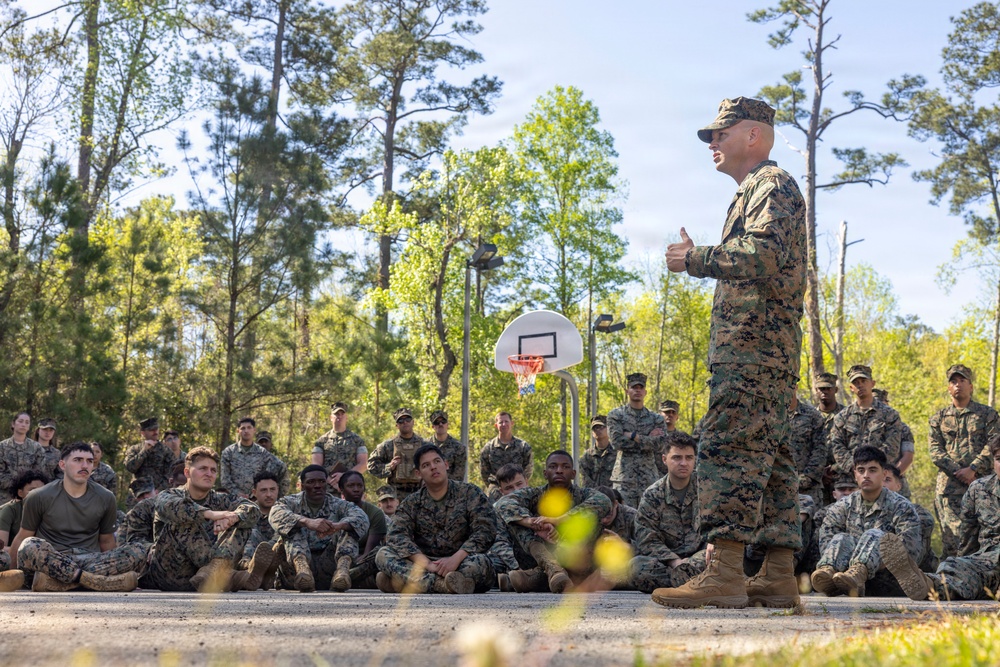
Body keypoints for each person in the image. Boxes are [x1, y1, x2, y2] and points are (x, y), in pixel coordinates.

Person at [658, 96, 806, 609]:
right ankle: (779, 571)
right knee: (775, 457)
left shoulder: (772, 184)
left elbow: (763, 253)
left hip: (754, 352)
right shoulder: (756, 190)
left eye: (721, 133)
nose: (712, 144)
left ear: (755, 135)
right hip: (765, 351)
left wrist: (696, 258)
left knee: (728, 448)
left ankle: (723, 572)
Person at [7, 442, 146, 592]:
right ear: (62, 464)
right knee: (29, 545)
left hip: (89, 560)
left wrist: (117, 567)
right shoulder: (39, 496)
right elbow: (23, 538)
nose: (84, 465)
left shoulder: (106, 497)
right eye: (78, 460)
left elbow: (106, 542)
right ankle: (93, 582)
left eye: (89, 461)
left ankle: (63, 583)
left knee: (138, 550)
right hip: (52, 562)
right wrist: (14, 577)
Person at [881, 439, 1000, 601]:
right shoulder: (979, 489)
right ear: (993, 462)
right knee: (953, 566)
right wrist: (964, 563)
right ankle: (926, 585)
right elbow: (968, 535)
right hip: (988, 562)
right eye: (999, 459)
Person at [376, 444, 497, 594]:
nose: (433, 467)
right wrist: (426, 564)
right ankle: (442, 585)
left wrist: (455, 559)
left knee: (480, 563)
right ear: (418, 473)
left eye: (437, 461)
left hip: (462, 560)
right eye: (426, 465)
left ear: (446, 465)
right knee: (383, 555)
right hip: (426, 563)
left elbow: (486, 529)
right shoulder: (411, 503)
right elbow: (396, 536)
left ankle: (403, 582)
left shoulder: (470, 493)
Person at [142, 446, 265, 592]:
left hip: (203, 576)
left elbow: (253, 509)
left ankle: (218, 569)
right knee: (183, 518)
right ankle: (230, 576)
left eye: (213, 470)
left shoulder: (220, 499)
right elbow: (167, 506)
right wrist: (211, 514)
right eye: (203, 469)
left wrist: (234, 517)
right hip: (171, 574)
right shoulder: (170, 495)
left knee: (242, 519)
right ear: (187, 472)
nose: (209, 474)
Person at [810, 447, 921, 597]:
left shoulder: (901, 506)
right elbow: (827, 541)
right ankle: (827, 573)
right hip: (843, 578)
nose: (866, 475)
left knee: (875, 535)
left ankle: (859, 573)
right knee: (841, 538)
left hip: (887, 580)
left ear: (884, 474)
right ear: (855, 474)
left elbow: (910, 551)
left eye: (873, 470)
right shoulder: (843, 506)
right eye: (861, 470)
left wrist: (872, 562)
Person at [495, 450, 611, 594]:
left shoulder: (584, 495)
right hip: (538, 557)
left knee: (590, 518)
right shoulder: (534, 494)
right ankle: (552, 569)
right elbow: (502, 503)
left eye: (565, 467)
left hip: (577, 561)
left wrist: (558, 521)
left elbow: (604, 501)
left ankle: (534, 578)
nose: (559, 471)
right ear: (545, 473)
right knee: (515, 521)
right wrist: (532, 523)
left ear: (574, 474)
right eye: (553, 466)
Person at [928, 364, 998, 559]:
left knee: (986, 538)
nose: (957, 384)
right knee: (953, 543)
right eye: (953, 381)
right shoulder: (938, 418)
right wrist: (960, 471)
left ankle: (985, 588)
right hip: (950, 490)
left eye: (962, 380)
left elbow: (994, 445)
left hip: (983, 487)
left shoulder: (987, 415)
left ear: (971, 386)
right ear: (948, 388)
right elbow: (935, 451)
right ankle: (949, 588)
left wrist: (974, 468)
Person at [269, 465, 369, 593]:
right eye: (311, 482)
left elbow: (362, 517)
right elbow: (275, 514)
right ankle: (302, 569)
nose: (317, 486)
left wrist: (338, 525)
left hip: (327, 567)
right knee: (292, 527)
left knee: (349, 527)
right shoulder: (290, 502)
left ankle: (342, 571)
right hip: (294, 571)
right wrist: (307, 522)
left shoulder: (338, 504)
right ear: (303, 486)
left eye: (321, 481)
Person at [628, 434, 708, 594]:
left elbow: (720, 526)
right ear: (664, 459)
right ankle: (697, 583)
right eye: (677, 457)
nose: (684, 463)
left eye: (689, 458)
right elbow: (646, 539)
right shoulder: (652, 495)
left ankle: (681, 584)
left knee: (721, 557)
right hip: (666, 561)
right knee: (636, 567)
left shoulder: (707, 488)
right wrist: (675, 561)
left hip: (701, 557)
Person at [829, 365, 903, 488]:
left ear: (872, 383)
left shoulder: (889, 414)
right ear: (851, 388)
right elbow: (837, 446)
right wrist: (856, 468)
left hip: (879, 479)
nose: (860, 385)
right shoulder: (842, 417)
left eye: (864, 381)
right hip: (849, 481)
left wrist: (873, 468)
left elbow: (892, 446)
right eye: (856, 382)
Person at [608, 373, 667, 509]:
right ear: (627, 391)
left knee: (649, 519)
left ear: (645, 392)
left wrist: (634, 435)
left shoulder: (656, 418)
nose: (638, 390)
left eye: (641, 387)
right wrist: (648, 438)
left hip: (649, 478)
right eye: (634, 387)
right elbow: (616, 442)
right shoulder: (616, 415)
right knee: (624, 518)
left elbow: (660, 445)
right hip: (624, 479)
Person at [883, 463, 937, 573]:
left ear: (898, 486)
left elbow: (925, 523)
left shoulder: (915, 511)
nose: (882, 485)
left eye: (887, 480)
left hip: (914, 569)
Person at [339, 470, 388, 589]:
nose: (356, 489)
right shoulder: (333, 509)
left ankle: (344, 578)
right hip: (338, 558)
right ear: (342, 489)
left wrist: (359, 559)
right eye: (351, 486)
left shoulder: (375, 513)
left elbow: (368, 552)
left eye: (359, 486)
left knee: (382, 552)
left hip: (362, 561)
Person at [368, 408, 427, 501]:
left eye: (408, 419)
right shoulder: (388, 445)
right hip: (396, 496)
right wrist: (389, 467)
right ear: (397, 425)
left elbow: (436, 465)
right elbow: (371, 465)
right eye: (401, 420)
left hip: (420, 493)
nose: (405, 422)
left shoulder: (424, 444)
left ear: (413, 422)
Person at [220, 417, 289, 497]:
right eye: (243, 428)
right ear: (238, 431)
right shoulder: (228, 452)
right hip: (233, 499)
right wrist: (237, 493)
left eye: (249, 428)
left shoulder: (263, 453)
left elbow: (265, 478)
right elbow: (225, 479)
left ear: (254, 430)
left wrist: (254, 495)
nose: (246, 431)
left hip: (256, 500)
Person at [236, 470, 282, 590]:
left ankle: (261, 575)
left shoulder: (284, 511)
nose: (269, 494)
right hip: (249, 556)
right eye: (263, 490)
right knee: (252, 532)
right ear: (254, 492)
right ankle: (246, 565)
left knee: (283, 538)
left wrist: (267, 551)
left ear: (278, 490)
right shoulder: (247, 510)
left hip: (277, 562)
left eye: (272, 489)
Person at [0, 470, 49, 575]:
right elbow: (1, 547)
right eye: (32, 490)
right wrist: (25, 551)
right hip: (16, 556)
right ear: (20, 493)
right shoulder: (10, 510)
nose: (38, 494)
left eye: (42, 490)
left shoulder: (50, 510)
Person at [312, 402, 368, 488]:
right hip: (327, 489)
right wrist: (331, 482)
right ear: (331, 417)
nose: (339, 416)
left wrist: (344, 476)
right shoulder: (321, 441)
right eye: (336, 414)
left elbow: (363, 464)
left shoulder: (357, 440)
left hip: (350, 488)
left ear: (346, 417)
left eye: (342, 414)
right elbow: (316, 466)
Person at [479, 412, 533, 501]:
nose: (504, 424)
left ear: (512, 423)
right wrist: (497, 485)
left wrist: (518, 483)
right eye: (500, 422)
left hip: (518, 485)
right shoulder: (488, 448)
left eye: (506, 421)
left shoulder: (523, 446)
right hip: (496, 488)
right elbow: (484, 471)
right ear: (496, 425)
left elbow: (528, 468)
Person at [788, 393, 827, 507]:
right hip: (779, 488)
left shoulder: (812, 415)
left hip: (809, 488)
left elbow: (820, 449)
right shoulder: (772, 415)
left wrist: (807, 478)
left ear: (795, 387)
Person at [0, 411, 45, 506]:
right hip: (5, 498)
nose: (23, 424)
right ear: (13, 424)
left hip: (30, 497)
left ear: (29, 426)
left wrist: (26, 488)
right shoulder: (2, 447)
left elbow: (39, 473)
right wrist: (18, 485)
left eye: (27, 422)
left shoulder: (37, 448)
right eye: (20, 421)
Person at [123, 418, 177, 498]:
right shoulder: (135, 449)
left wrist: (158, 490)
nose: (155, 432)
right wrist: (144, 451)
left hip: (159, 494)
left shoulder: (166, 451)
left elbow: (172, 473)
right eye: (151, 430)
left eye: (156, 429)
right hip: (138, 495)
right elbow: (130, 467)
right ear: (143, 433)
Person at [814, 372, 845, 505]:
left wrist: (835, 468)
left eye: (828, 388)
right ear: (816, 390)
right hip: (815, 480)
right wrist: (819, 471)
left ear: (835, 390)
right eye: (821, 389)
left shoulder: (846, 415)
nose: (824, 392)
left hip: (843, 479)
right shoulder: (810, 416)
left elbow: (854, 446)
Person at [428, 410, 467, 482]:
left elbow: (459, 476)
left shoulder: (458, 447)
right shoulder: (425, 446)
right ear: (433, 426)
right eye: (437, 422)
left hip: (451, 488)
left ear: (447, 424)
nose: (440, 424)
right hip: (429, 487)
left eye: (443, 422)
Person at [656, 400, 690, 478]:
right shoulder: (653, 435)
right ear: (660, 414)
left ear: (677, 417)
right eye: (667, 412)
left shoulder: (682, 438)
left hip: (675, 479)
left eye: (673, 412)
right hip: (654, 478)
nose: (670, 415)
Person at [580, 416, 616, 488]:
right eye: (595, 428)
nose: (598, 430)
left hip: (613, 495)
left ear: (608, 429)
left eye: (601, 427)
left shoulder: (617, 453)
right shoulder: (587, 456)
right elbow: (585, 481)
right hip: (593, 496)